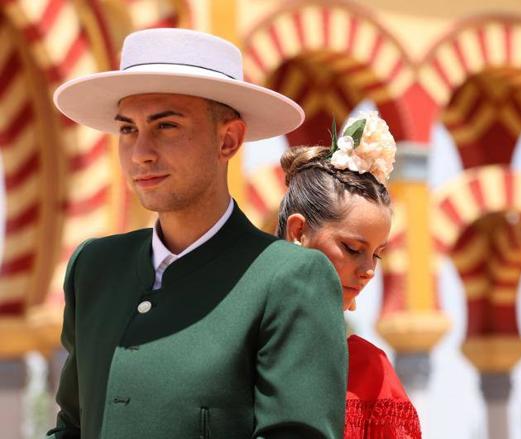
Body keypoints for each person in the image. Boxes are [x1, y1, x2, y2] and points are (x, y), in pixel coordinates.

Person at [47, 28, 348, 438]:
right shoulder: (95, 268)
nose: (141, 153)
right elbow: (72, 425)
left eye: (166, 126)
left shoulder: (288, 279)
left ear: (228, 139)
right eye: (127, 129)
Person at [276, 111, 422, 438]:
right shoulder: (226, 351)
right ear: (298, 232)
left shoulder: (371, 373)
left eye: (377, 254)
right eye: (353, 249)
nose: (369, 271)